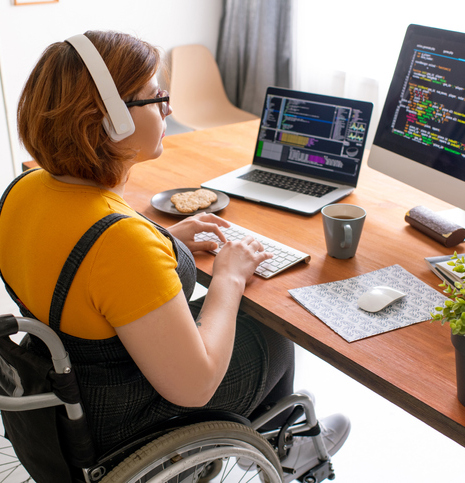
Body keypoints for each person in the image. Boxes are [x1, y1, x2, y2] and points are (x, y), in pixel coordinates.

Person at [0, 30, 349, 474]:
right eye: (155, 97)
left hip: (64, 388)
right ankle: (287, 448)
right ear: (110, 120)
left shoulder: (24, 189)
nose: (169, 108)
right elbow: (196, 386)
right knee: (272, 328)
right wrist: (228, 276)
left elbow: (84, 270)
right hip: (121, 419)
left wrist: (166, 241)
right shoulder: (121, 242)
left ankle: (281, 440)